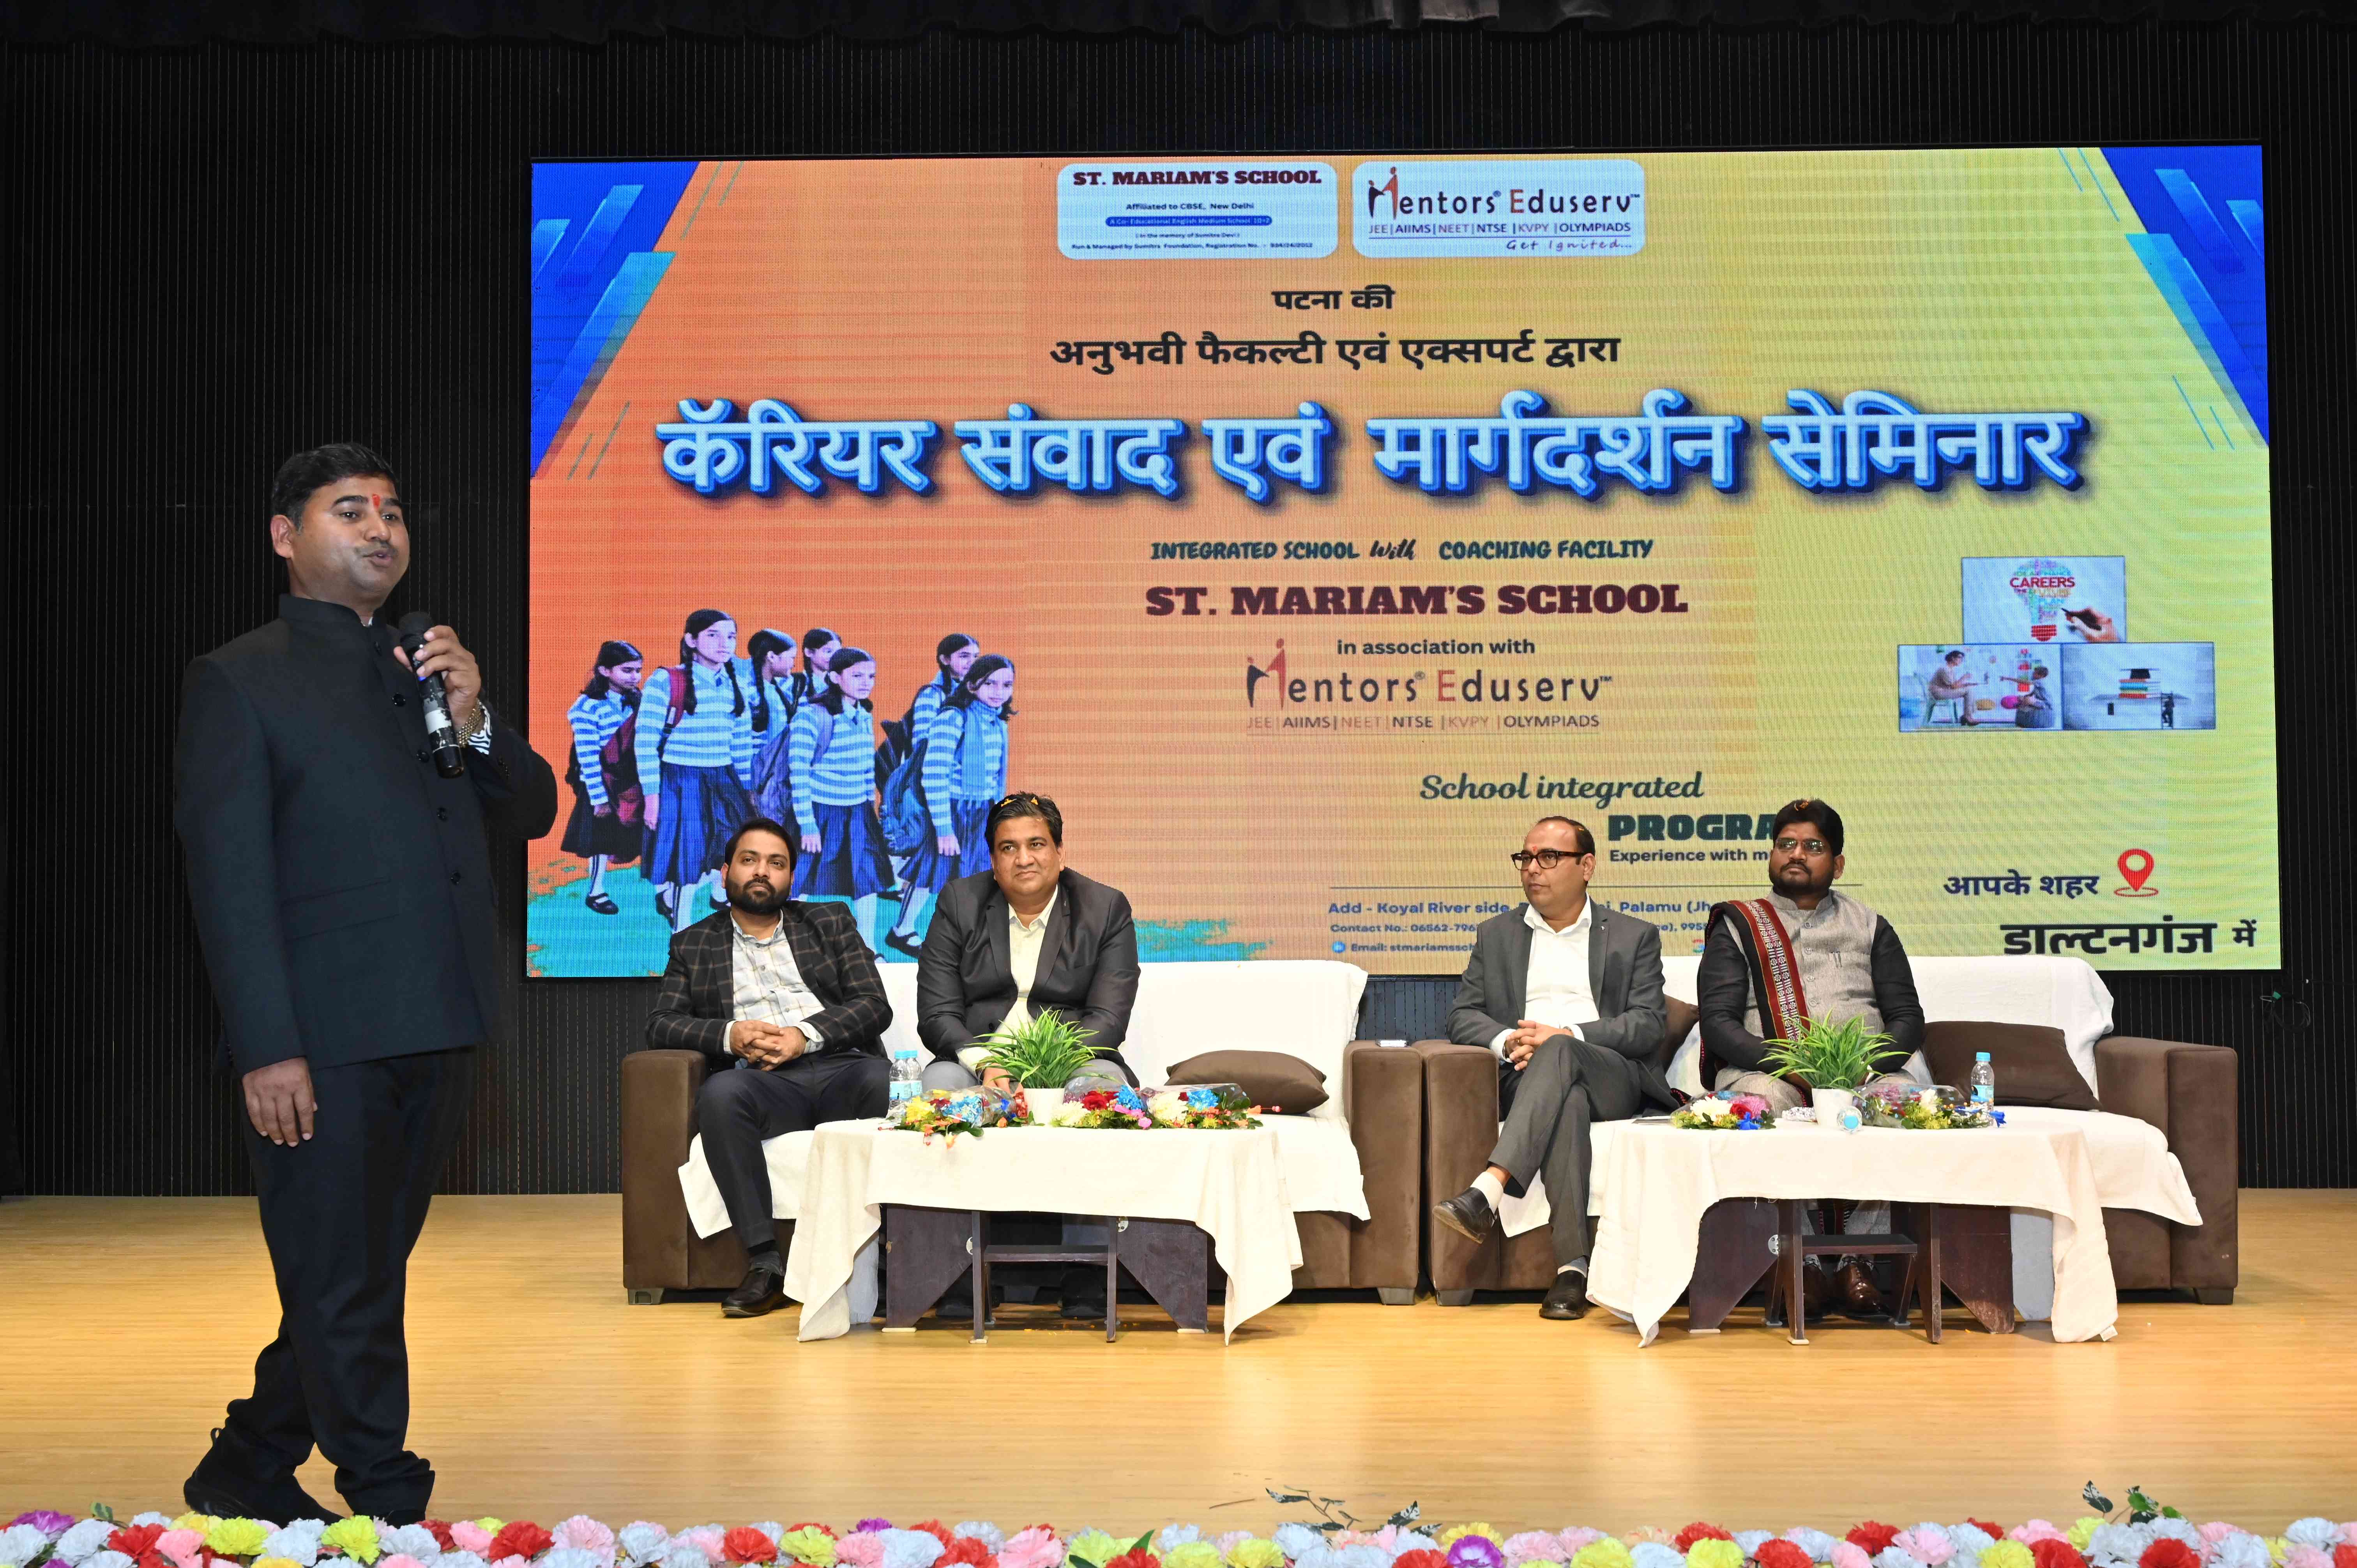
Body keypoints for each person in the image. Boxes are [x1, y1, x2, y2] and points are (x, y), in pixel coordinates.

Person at [175, 443, 557, 1522]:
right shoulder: (239, 679)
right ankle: (388, 1502)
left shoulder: (423, 666)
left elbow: (532, 810)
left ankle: (247, 1463)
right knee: (343, 1279)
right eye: (350, 511)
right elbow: (229, 885)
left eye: (392, 511)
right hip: (322, 1036)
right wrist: (268, 1047)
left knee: (358, 1274)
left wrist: (476, 717)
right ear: (285, 536)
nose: (381, 529)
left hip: (440, 1020)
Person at [645, 818, 892, 1318]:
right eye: (749, 860)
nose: (762, 871)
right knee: (721, 1094)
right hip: (764, 1084)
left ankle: (882, 1259)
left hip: (840, 1069)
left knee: (881, 1081)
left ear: (791, 879)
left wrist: (805, 1035)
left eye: (776, 863)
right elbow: (662, 1023)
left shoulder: (829, 921)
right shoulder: (693, 943)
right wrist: (729, 1034)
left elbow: (873, 1005)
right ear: (725, 873)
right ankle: (765, 1263)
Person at [1427, 817, 1671, 1321]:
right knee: (1568, 1100)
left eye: (1549, 858)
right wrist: (1509, 1040)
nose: (1532, 869)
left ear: (1587, 866)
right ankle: (1572, 1271)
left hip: (1610, 1075)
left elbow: (1648, 1023)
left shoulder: (1634, 936)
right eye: (1526, 858)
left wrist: (1569, 1035)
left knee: (1561, 1051)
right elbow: (1462, 1015)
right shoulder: (1496, 935)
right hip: (1527, 1077)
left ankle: (1489, 1186)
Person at [913, 790, 1140, 1319]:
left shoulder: (1105, 907)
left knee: (1102, 1085)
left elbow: (1108, 1019)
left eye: (1037, 844)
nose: (1024, 859)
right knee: (939, 1088)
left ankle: (1086, 1274)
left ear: (1060, 852)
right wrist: (986, 1064)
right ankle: (959, 1274)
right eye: (1008, 848)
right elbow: (937, 1012)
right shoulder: (959, 902)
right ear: (993, 862)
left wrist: (1048, 1076)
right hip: (980, 1060)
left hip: (1071, 1059)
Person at [1696, 796, 1925, 1314]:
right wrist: (1793, 1066)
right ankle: (1801, 1263)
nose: (1796, 854)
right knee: (1766, 1106)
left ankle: (1857, 1260)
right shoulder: (1739, 925)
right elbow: (1719, 1022)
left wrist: (1866, 1066)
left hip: (1863, 1071)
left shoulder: (1871, 925)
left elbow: (1908, 1017)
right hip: (1766, 1070)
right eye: (1786, 844)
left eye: (1813, 846)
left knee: (1900, 1102)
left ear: (1838, 864)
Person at [884, 654, 1014, 960]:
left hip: (981, 812)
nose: (999, 692)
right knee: (929, 872)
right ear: (972, 685)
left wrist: (997, 817)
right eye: (991, 684)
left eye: (1007, 685)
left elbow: (998, 777)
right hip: (949, 810)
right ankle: (901, 930)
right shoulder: (953, 718)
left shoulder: (998, 723)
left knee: (977, 877)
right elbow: (934, 775)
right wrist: (944, 828)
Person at [635, 609, 758, 932]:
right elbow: (645, 741)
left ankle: (692, 905)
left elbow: (741, 744)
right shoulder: (666, 681)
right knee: (687, 857)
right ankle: (681, 929)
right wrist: (652, 797)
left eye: (731, 637)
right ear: (691, 640)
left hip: (724, 779)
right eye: (713, 636)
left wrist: (747, 791)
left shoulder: (738, 684)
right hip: (682, 779)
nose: (724, 644)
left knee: (729, 851)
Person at [787, 645, 894, 948]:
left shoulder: (864, 714)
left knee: (867, 880)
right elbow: (798, 772)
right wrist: (807, 824)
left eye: (871, 676)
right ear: (834, 677)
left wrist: (872, 807)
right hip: (820, 811)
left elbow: (867, 769)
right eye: (857, 676)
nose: (866, 682)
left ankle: (868, 948)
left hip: (858, 812)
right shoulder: (811, 714)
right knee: (802, 880)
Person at [560, 640, 643, 914]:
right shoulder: (587, 707)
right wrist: (599, 798)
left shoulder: (638, 701)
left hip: (633, 782)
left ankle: (663, 892)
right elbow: (587, 757)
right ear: (605, 671)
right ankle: (596, 891)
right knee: (601, 839)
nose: (635, 677)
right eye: (627, 670)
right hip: (601, 782)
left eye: (638, 671)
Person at [745, 628, 798, 825]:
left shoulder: (779, 691)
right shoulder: (751, 693)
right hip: (759, 778)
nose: (794, 663)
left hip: (776, 777)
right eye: (791, 657)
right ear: (772, 657)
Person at [1927, 648, 1980, 725]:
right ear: (1953, 658)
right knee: (1969, 691)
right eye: (1960, 658)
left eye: (1962, 659)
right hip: (1938, 693)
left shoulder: (1951, 669)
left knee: (1970, 689)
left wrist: (1967, 684)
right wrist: (1964, 678)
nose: (1961, 660)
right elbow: (1954, 687)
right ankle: (1967, 717)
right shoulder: (1945, 669)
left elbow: (1954, 685)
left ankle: (1967, 716)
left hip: (1944, 691)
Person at [2014, 663, 2057, 729]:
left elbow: (2025, 682)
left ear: (2041, 676)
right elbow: (2032, 694)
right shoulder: (2037, 685)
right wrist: (2022, 699)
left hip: (2045, 704)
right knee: (2023, 698)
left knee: (2028, 700)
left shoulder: (2040, 681)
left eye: (2035, 673)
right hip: (2039, 703)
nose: (2033, 675)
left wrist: (2008, 679)